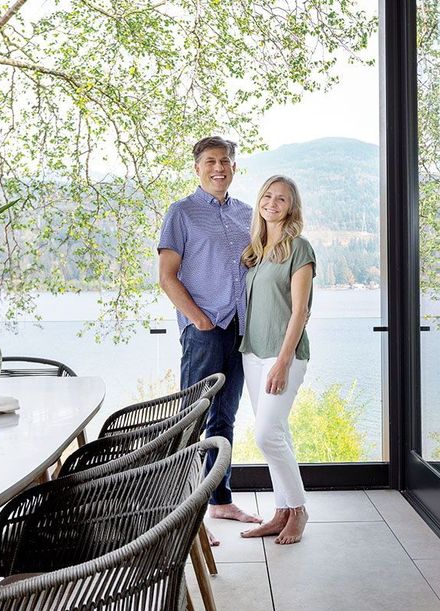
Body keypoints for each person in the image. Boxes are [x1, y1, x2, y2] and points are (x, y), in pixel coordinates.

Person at [158, 136, 262, 543]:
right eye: (210, 161)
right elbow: (167, 277)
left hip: (240, 329)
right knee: (190, 420)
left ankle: (220, 499)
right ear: (198, 168)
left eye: (226, 161)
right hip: (203, 331)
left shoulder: (247, 215)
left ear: (234, 168)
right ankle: (182, 516)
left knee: (224, 418)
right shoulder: (181, 213)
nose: (219, 167)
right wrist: (199, 320)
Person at [239, 175, 316, 545]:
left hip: (282, 355)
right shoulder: (256, 251)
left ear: (291, 207)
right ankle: (280, 512)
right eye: (267, 196)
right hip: (251, 354)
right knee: (277, 432)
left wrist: (283, 361)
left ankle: (298, 510)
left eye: (281, 199)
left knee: (266, 434)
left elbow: (300, 310)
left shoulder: (299, 248)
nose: (272, 203)